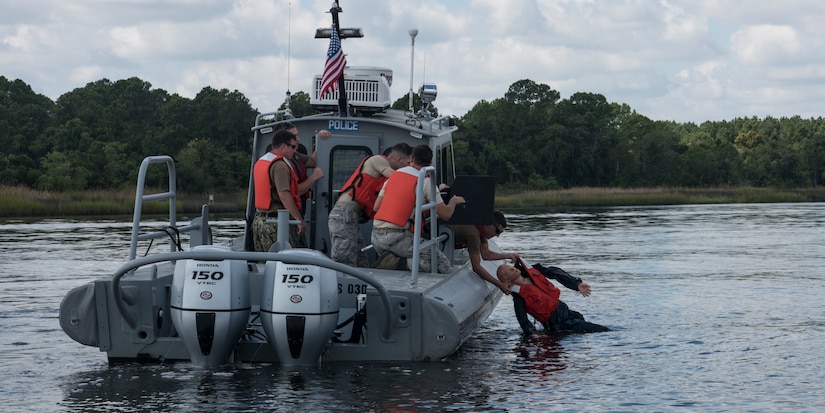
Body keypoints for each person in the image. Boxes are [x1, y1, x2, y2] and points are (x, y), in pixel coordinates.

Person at [371, 144, 466, 273]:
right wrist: (454, 201)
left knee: (417, 253)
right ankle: (398, 263)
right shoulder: (426, 182)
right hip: (396, 238)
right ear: (430, 162)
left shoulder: (394, 176)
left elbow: (376, 206)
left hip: (375, 236)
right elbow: (446, 215)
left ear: (411, 158)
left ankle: (394, 259)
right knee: (439, 262)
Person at [328, 143, 413, 267]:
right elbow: (397, 178)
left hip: (352, 216)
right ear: (399, 160)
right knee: (344, 256)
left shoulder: (386, 175)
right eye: (407, 164)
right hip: (343, 213)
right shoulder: (378, 160)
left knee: (360, 258)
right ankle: (339, 283)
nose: (408, 167)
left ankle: (360, 284)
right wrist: (420, 179)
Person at [496, 259, 609, 335]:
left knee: (579, 318)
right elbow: (522, 318)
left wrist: (576, 284)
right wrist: (532, 334)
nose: (512, 268)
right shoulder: (518, 296)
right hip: (556, 323)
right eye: (507, 272)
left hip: (564, 310)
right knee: (603, 330)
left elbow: (555, 272)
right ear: (507, 280)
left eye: (510, 267)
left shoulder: (533, 271)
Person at [252, 129, 307, 251]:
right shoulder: (280, 166)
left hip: (259, 222)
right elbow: (284, 194)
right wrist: (299, 220)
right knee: (285, 263)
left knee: (266, 264)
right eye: (293, 147)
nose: (295, 150)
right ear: (283, 146)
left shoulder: (263, 160)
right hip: (275, 223)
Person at [450, 210, 519, 294]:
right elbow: (476, 267)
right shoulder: (473, 234)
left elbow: (486, 254)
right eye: (497, 231)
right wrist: (500, 284)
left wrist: (508, 255)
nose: (497, 235)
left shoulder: (480, 229)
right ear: (488, 224)